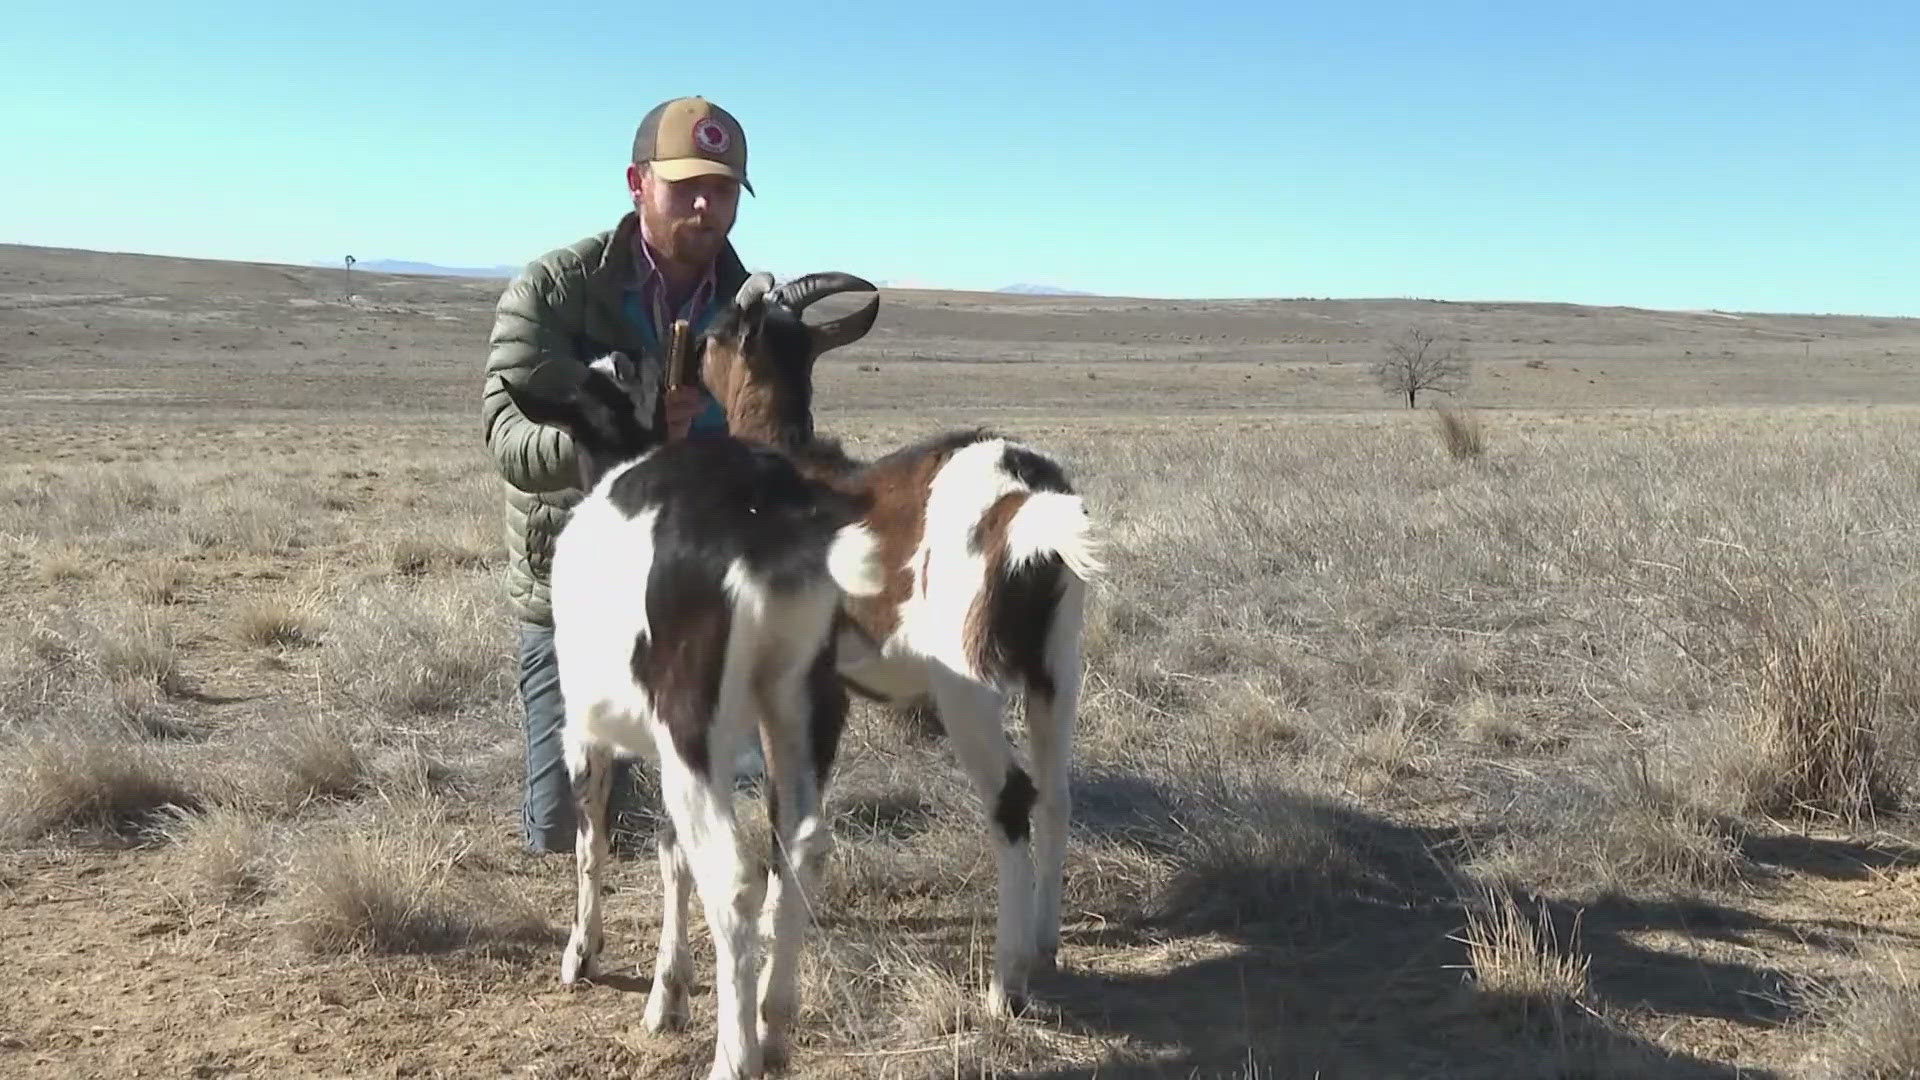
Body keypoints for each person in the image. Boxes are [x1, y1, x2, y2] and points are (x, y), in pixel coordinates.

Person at [482, 95, 758, 854]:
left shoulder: (750, 309)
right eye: (686, 187)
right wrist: (613, 444)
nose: (706, 207)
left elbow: (770, 442)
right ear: (637, 183)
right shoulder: (555, 290)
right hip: (576, 590)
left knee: (736, 813)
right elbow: (506, 435)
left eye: (725, 189)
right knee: (566, 833)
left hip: (702, 585)